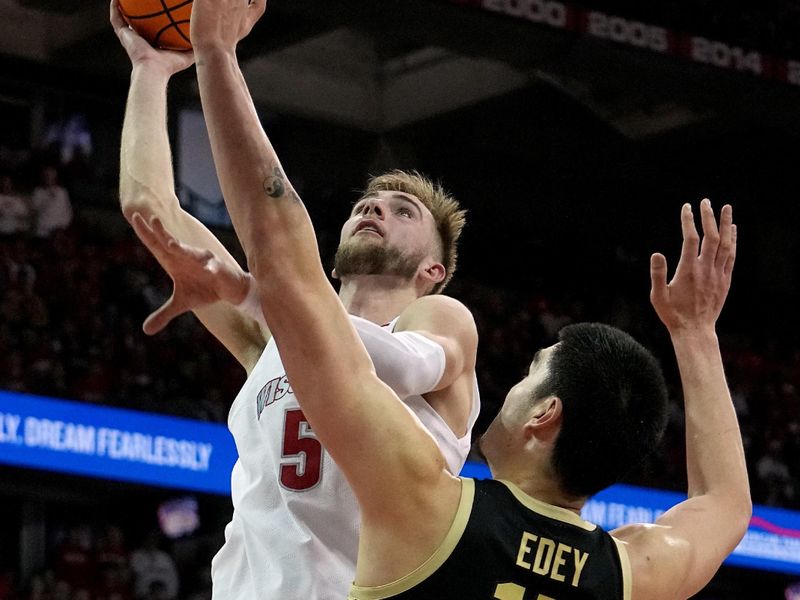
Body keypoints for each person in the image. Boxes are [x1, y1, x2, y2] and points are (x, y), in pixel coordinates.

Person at [186, 7, 750, 598]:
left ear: (544, 414)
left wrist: (216, 55)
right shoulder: (630, 571)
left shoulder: (427, 506)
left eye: (530, 374)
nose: (504, 387)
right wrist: (696, 334)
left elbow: (282, 248)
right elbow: (726, 506)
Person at [110, 1, 480, 598]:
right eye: (366, 203)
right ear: (330, 260)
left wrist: (269, 296)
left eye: (401, 211)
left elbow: (407, 364)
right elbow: (152, 213)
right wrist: (149, 72)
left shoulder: (439, 318)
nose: (373, 208)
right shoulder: (271, 336)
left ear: (433, 269)